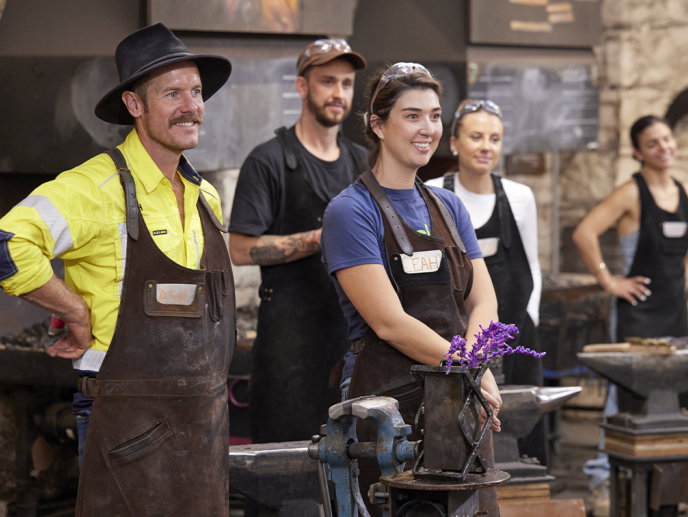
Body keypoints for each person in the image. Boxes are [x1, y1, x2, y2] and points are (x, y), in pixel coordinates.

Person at [0, 24, 234, 515]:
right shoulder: (94, 187)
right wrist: (73, 308)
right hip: (126, 424)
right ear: (135, 106)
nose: (191, 106)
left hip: (204, 421)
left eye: (197, 92)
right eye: (173, 93)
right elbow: (2, 247)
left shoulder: (205, 196)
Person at [321, 63, 502, 516]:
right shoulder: (350, 212)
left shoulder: (449, 205)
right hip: (390, 407)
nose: (428, 129)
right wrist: (469, 371)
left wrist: (476, 367)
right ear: (377, 125)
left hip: (459, 399)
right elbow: (390, 322)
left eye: (435, 116)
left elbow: (483, 298)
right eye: (412, 116)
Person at [227, 39, 368, 445]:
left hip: (349, 346)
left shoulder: (362, 163)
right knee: (285, 475)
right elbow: (239, 249)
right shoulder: (268, 160)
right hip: (286, 351)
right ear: (302, 87)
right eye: (327, 81)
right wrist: (320, 238)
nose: (338, 93)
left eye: (345, 83)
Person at [571, 116, 688, 509]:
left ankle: (667, 482)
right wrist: (610, 282)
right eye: (653, 142)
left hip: (675, 312)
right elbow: (584, 232)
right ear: (638, 152)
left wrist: (687, 278)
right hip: (636, 316)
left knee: (675, 398)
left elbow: (684, 251)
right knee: (624, 401)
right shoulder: (629, 193)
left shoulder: (686, 192)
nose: (664, 147)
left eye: (667, 138)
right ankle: (604, 480)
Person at [424, 98, 546, 461]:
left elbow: (533, 265)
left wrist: (531, 317)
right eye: (476, 136)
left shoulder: (520, 197)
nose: (486, 147)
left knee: (521, 432)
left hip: (516, 333)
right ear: (454, 143)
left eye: (494, 139)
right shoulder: (432, 192)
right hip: (455, 336)